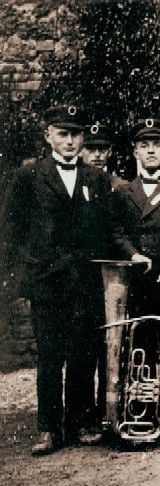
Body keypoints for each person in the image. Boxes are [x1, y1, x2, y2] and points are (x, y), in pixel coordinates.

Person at [0, 105, 110, 455]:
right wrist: (23, 276)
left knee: (83, 354)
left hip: (86, 282)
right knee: (49, 357)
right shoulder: (29, 176)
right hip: (48, 283)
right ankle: (48, 428)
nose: (70, 141)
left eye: (76, 134)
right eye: (63, 134)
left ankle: (79, 423)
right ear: (48, 135)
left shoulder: (96, 178)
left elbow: (106, 231)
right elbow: (10, 230)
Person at [109, 118, 160, 427]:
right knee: (139, 342)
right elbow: (116, 232)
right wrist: (134, 254)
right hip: (138, 278)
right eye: (144, 146)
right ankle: (141, 410)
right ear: (135, 152)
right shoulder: (123, 191)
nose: (151, 151)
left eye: (157, 145)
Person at [81, 121, 126, 190]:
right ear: (80, 151)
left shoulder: (122, 186)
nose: (97, 154)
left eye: (102, 149)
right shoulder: (71, 184)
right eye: (91, 149)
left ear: (110, 152)